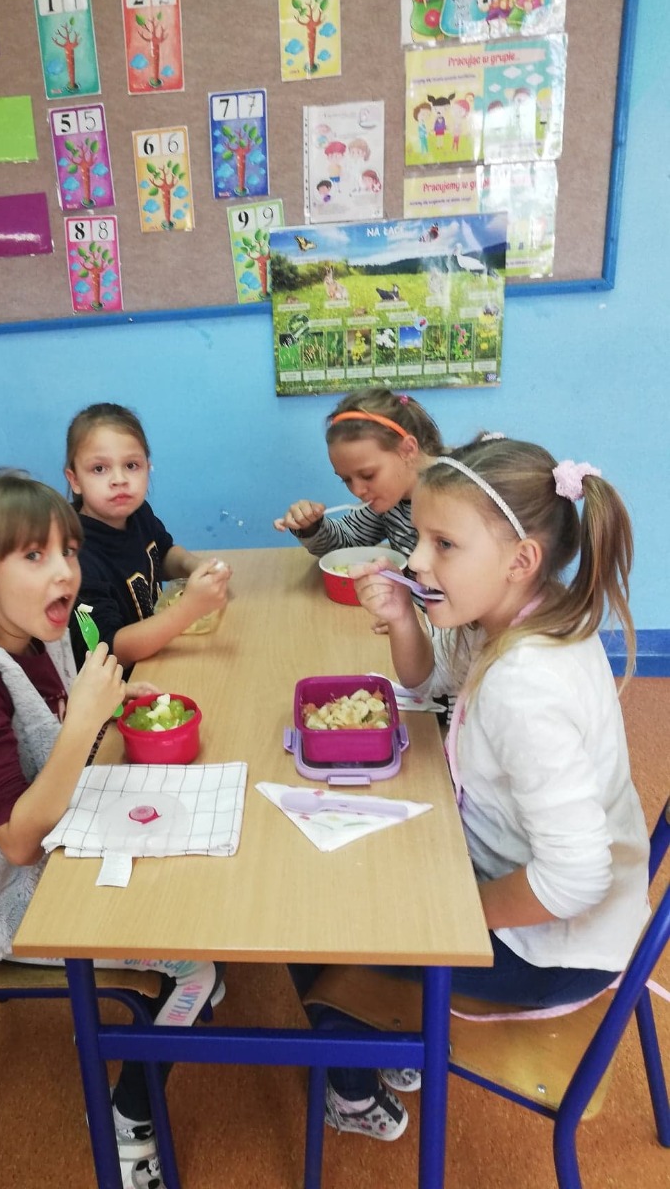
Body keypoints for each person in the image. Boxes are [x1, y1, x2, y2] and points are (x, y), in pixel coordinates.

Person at [295, 436, 650, 1143]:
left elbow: (575, 879)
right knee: (356, 858)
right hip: (512, 876)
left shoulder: (527, 685)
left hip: (551, 947)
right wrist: (404, 619)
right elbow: (429, 684)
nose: (415, 562)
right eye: (420, 539)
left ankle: (357, 1083)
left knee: (317, 918)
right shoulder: (515, 614)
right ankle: (396, 1040)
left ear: (521, 560)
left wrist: (452, 918)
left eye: (444, 545)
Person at [0, 469, 222, 1187]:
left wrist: (115, 702)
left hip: (55, 845)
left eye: (67, 551)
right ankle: (129, 1120)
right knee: (199, 957)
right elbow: (15, 840)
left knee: (195, 872)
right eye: (34, 556)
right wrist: (84, 723)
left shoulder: (34, 631)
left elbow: (54, 721)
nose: (64, 571)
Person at [64, 403, 231, 670]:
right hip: (121, 685)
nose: (119, 479)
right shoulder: (74, 558)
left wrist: (196, 566)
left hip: (157, 657)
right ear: (74, 480)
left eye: (131, 465)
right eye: (99, 469)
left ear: (147, 467)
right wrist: (188, 609)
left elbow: (162, 554)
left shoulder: (138, 512)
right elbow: (108, 650)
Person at [272, 387, 444, 587]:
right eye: (346, 479)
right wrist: (311, 526)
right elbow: (346, 545)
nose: (357, 491)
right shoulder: (390, 499)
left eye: (367, 475)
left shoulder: (459, 496)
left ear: (407, 450)